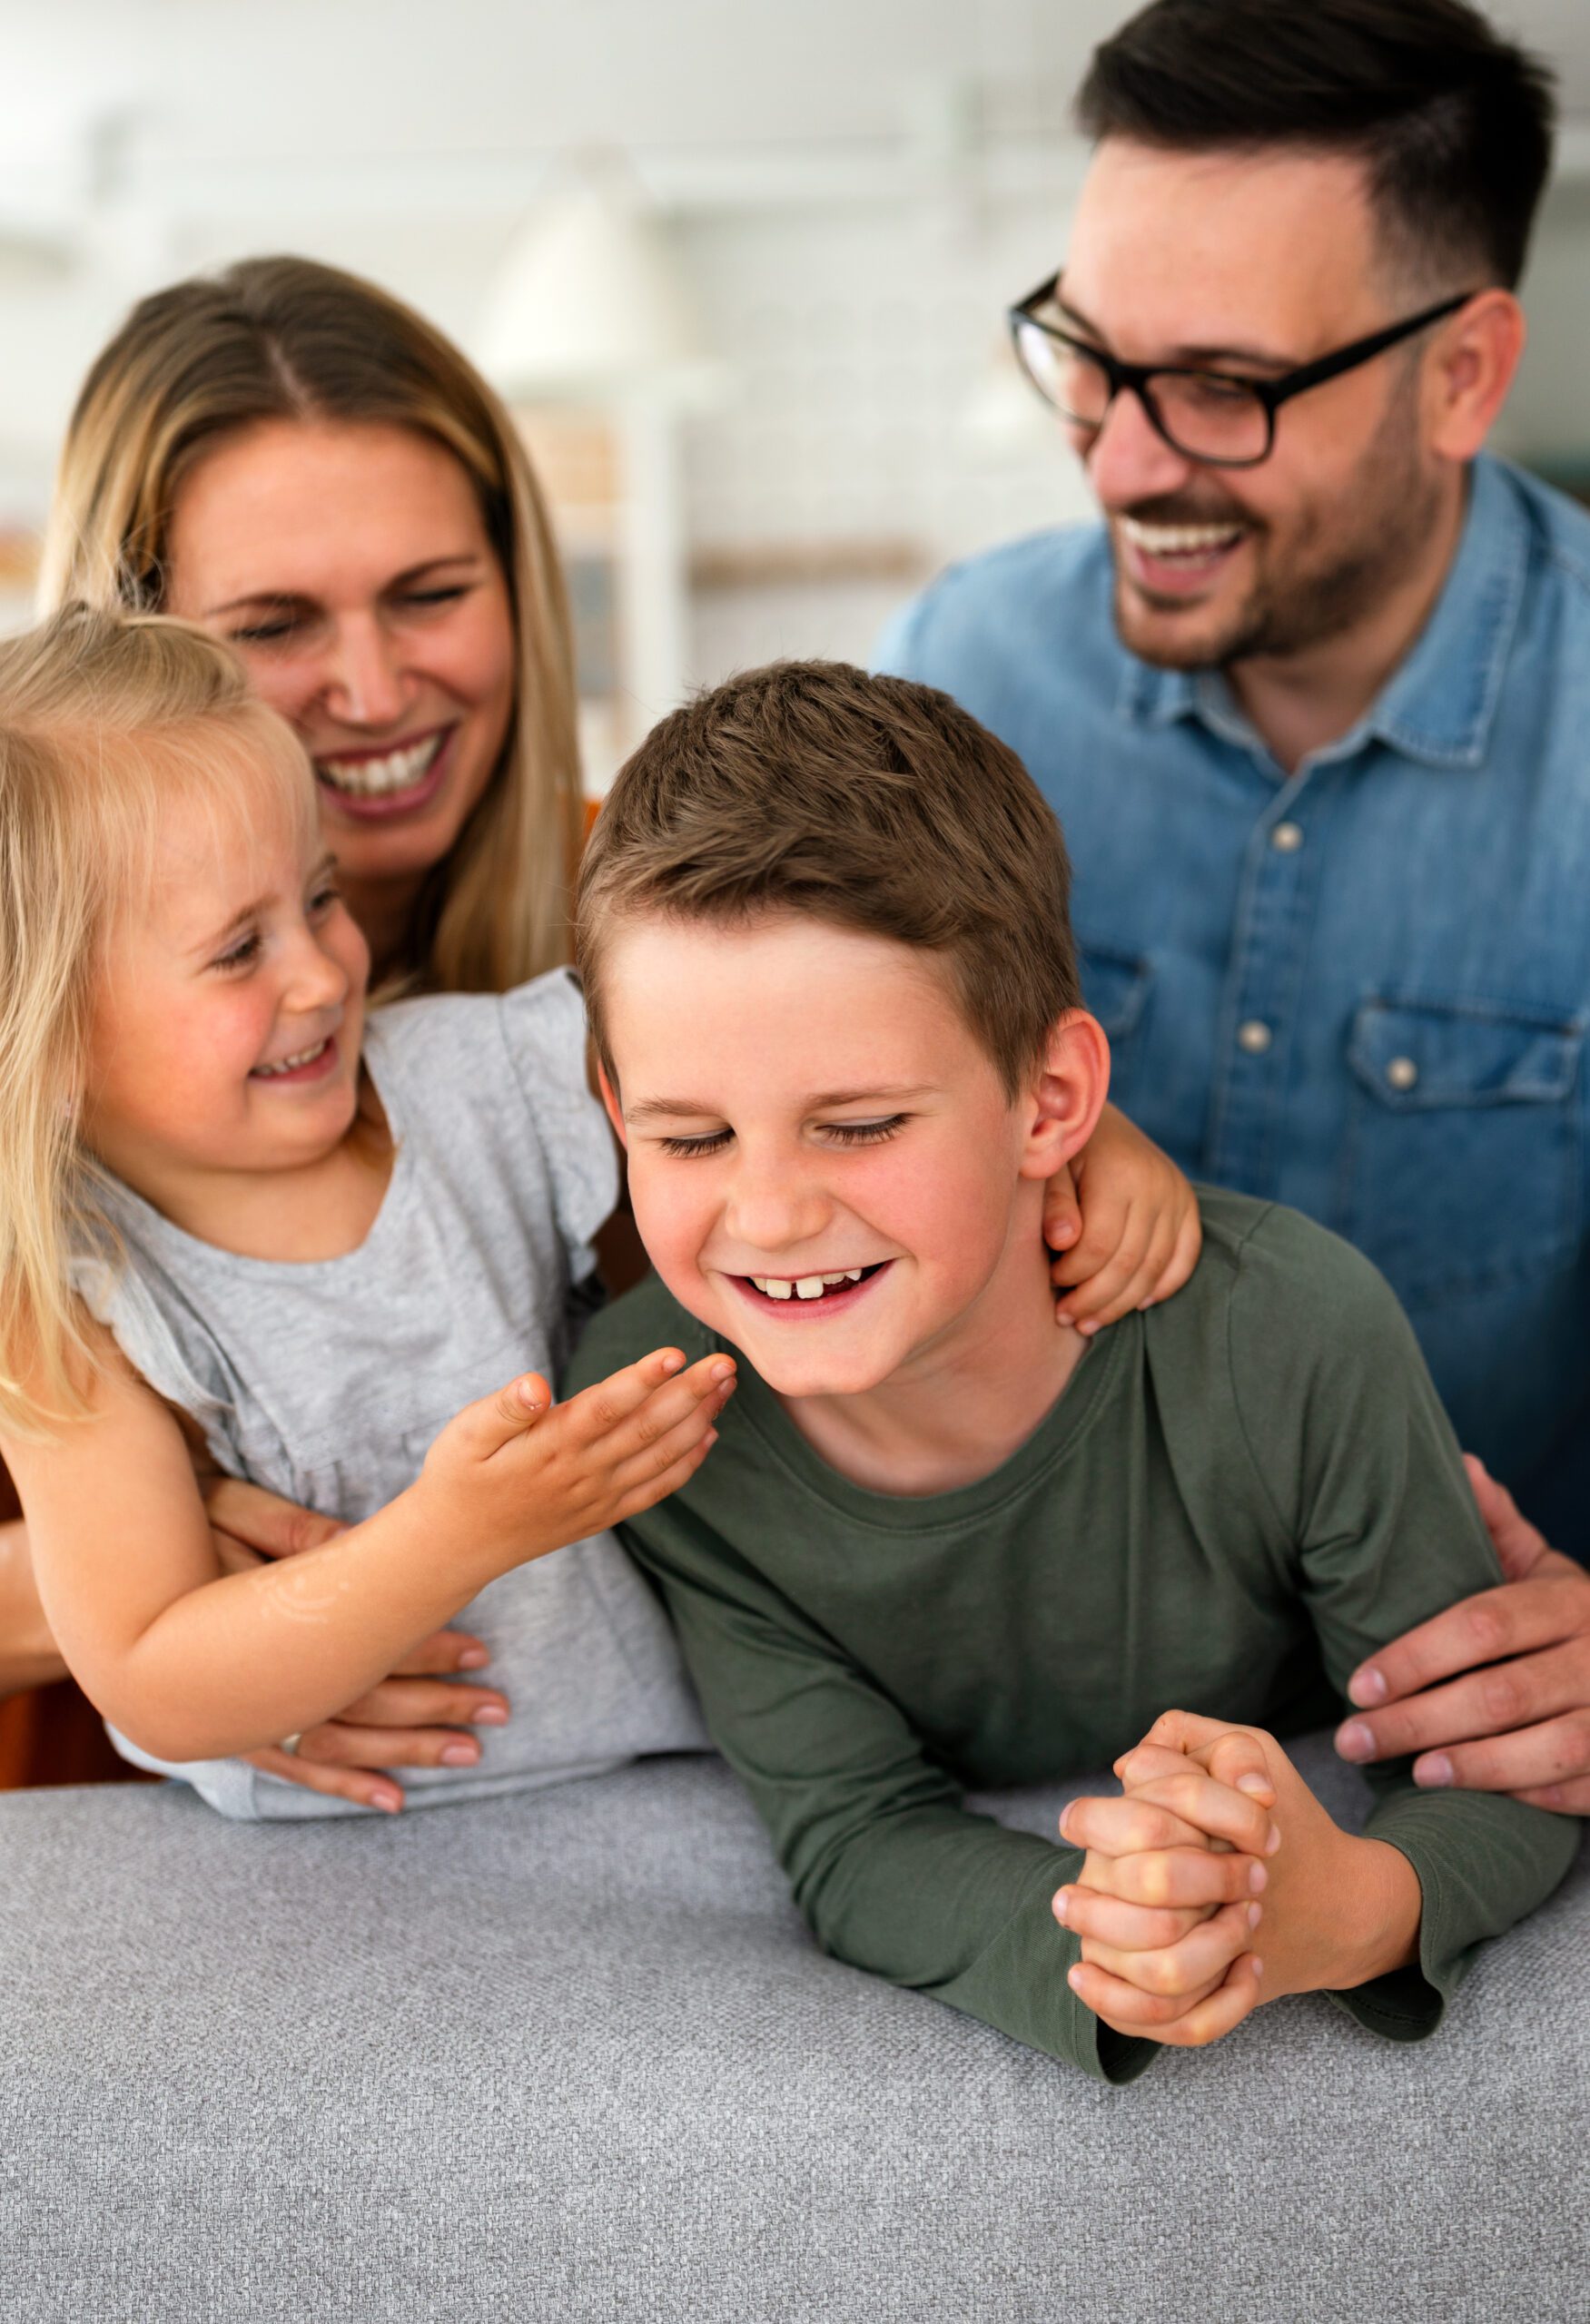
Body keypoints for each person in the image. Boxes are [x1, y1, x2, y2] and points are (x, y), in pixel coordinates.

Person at [0, 255, 1203, 1797]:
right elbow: (151, 1642)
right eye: (275, 622)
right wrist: (228, 1605)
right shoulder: (61, 1196)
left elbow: (909, 1065)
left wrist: (1086, 1139)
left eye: (433, 593)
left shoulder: (648, 931)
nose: (372, 687)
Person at [564, 656, 1576, 2082]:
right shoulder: (658, 1426)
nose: (771, 1214)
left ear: (1051, 1104)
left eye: (856, 1125)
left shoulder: (1292, 1333)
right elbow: (858, 1836)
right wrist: (1114, 1943)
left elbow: (1500, 1750)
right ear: (613, 1108)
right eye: (687, 1138)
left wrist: (1354, 1912)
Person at [875, 0, 1590, 1810]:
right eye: (1092, 359)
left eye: (1221, 388)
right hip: (1018, 1728)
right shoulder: (962, 670)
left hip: (1475, 1754)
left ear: (1463, 372)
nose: (1118, 459)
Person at [0, 606, 738, 1807]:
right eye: (240, 949)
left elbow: (767, 1034)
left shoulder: (479, 1074)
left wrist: (1083, 1144)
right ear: (50, 1034)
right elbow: (152, 1676)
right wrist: (452, 1537)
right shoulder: (65, 1300)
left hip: (654, 1792)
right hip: (327, 1882)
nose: (323, 969)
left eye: (321, 897)